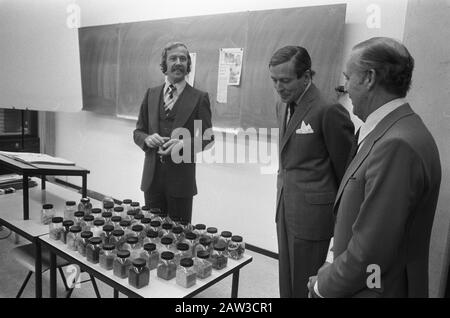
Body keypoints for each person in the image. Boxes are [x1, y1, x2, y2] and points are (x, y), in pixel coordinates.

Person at [308, 37, 441, 298]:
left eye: (348, 77)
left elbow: (371, 250)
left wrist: (322, 286)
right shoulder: (383, 130)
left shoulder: (398, 144)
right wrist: (331, 261)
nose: (344, 87)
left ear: (368, 78)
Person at [269, 46, 354, 298]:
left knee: (305, 283)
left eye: (285, 80)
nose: (278, 87)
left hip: (313, 215)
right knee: (286, 274)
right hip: (285, 205)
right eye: (274, 80)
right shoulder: (282, 105)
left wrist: (342, 222)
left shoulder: (328, 109)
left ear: (306, 76)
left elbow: (346, 172)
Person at [133, 42, 213, 223]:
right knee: (151, 234)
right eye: (173, 58)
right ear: (165, 65)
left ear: (188, 66)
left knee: (180, 238)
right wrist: (147, 139)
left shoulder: (199, 98)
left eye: (183, 59)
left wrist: (184, 144)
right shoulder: (151, 94)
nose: (178, 62)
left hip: (181, 182)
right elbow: (138, 131)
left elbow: (207, 138)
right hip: (152, 180)